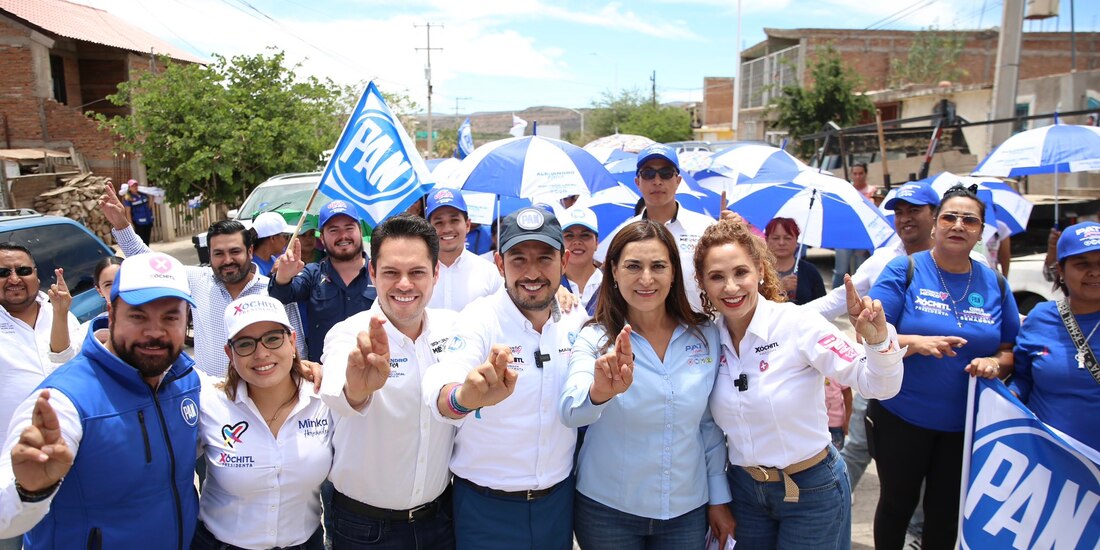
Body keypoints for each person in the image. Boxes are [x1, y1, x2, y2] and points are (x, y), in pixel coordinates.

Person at [694, 219, 904, 549]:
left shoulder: (798, 324)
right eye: (717, 277)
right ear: (703, 284)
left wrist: (877, 342)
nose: (731, 287)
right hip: (744, 491)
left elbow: (877, 385)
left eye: (741, 273)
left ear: (761, 271)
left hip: (811, 491)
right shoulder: (707, 339)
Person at [0, 252, 200, 548]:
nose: (155, 332)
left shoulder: (187, 380)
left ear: (187, 320)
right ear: (111, 311)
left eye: (171, 317)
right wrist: (29, 490)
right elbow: (5, 519)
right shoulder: (62, 401)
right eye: (138, 315)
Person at [560, 219, 733, 549]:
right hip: (607, 511)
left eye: (658, 266)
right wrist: (600, 392)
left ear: (673, 272)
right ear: (613, 271)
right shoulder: (595, 338)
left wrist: (719, 498)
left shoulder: (705, 334)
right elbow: (570, 411)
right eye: (633, 266)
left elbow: (708, 426)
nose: (646, 278)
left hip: (686, 510)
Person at [422, 207, 587, 550]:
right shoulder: (479, 319)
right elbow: (445, 379)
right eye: (518, 259)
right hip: (485, 508)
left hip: (557, 505)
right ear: (499, 264)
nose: (532, 273)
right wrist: (462, 398)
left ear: (564, 261)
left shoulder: (575, 319)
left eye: (544, 259)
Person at [866, 183, 1020, 550]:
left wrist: (994, 364)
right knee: (896, 506)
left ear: (981, 232)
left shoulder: (995, 282)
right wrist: (915, 343)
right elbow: (868, 335)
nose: (958, 225)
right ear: (934, 225)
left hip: (964, 427)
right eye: (949, 217)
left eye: (970, 220)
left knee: (946, 513)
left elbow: (1010, 351)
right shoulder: (904, 269)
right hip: (900, 416)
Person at [321, 213, 460, 549]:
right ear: (372, 273)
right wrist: (359, 387)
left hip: (439, 520)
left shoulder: (454, 328)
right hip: (364, 530)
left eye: (416, 273)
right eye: (391, 273)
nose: (404, 284)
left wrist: (558, 297)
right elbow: (340, 393)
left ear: (436, 273)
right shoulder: (348, 334)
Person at [101, 184, 306, 377]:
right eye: (219, 253)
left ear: (250, 251)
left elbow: (297, 349)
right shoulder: (197, 281)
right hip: (211, 403)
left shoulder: (274, 290)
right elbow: (147, 259)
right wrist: (121, 224)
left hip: (264, 402)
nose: (227, 261)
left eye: (235, 252)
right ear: (209, 254)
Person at [192, 295, 332, 550]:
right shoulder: (209, 401)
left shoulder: (324, 398)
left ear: (292, 341)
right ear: (229, 353)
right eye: (245, 344)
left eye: (272, 338)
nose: (261, 353)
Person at [0, 244, 79, 550]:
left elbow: (70, 368)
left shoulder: (60, 310)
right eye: (3, 272)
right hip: (9, 472)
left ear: (36, 274)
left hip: (71, 460)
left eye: (22, 270)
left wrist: (60, 314)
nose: (14, 278)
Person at [1010, 221, 1100, 452]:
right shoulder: (1040, 317)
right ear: (1061, 270)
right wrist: (1004, 397)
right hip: (1049, 466)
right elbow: (1023, 380)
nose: (1095, 272)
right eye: (1082, 264)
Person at [596, 143, 716, 311]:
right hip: (639, 331)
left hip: (698, 329)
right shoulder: (624, 233)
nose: (657, 181)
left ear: (678, 181)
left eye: (666, 174)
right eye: (648, 174)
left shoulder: (707, 229)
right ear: (637, 182)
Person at [270, 199, 378, 363]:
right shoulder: (312, 274)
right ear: (323, 237)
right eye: (333, 230)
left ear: (359, 230)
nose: (343, 236)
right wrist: (283, 276)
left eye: (349, 228)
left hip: (374, 373)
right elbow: (281, 297)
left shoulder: (381, 273)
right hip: (324, 376)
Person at [424, 188, 502, 311]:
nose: (447, 229)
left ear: (467, 225)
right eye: (439, 222)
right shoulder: (415, 273)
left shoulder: (490, 273)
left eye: (454, 220)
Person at [764, 217, 825, 305]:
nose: (781, 243)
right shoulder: (759, 270)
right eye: (776, 238)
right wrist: (779, 288)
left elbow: (822, 304)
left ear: (797, 241)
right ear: (767, 240)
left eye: (787, 238)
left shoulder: (809, 271)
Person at [832, 163, 873, 289]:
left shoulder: (873, 192)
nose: (858, 176)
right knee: (840, 271)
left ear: (865, 174)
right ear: (851, 175)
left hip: (862, 237)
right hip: (845, 236)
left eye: (860, 173)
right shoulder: (845, 191)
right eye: (855, 173)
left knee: (861, 273)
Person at [561, 206, 602, 313]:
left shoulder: (613, 283)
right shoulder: (549, 285)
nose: (577, 242)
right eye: (569, 236)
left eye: (585, 235)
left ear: (596, 242)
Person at [250, 211, 293, 277]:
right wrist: (272, 273)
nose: (287, 241)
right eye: (286, 236)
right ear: (272, 238)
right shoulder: (251, 265)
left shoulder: (273, 259)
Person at [119, 180, 155, 245]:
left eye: (136, 185)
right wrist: (131, 224)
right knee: (141, 242)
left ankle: (147, 254)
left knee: (147, 241)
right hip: (138, 223)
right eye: (133, 186)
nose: (135, 187)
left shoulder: (143, 195)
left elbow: (149, 207)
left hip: (148, 221)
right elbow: (128, 212)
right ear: (129, 188)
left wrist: (151, 198)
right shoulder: (128, 198)